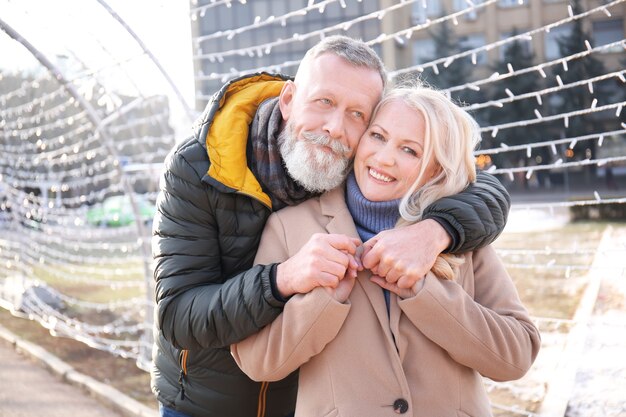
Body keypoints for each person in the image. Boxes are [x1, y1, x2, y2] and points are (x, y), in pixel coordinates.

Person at [152, 36, 511, 417]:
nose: (335, 127)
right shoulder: (199, 166)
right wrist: (281, 279)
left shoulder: (357, 161)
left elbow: (472, 180)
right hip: (208, 401)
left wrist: (435, 231)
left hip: (308, 399)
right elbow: (178, 314)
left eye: (358, 114)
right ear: (288, 101)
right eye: (324, 102)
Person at [231, 86, 540, 416]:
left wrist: (425, 292)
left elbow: (516, 357)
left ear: (435, 168)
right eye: (377, 136)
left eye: (410, 150)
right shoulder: (289, 227)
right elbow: (258, 362)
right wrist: (324, 300)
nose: (384, 157)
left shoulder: (456, 235)